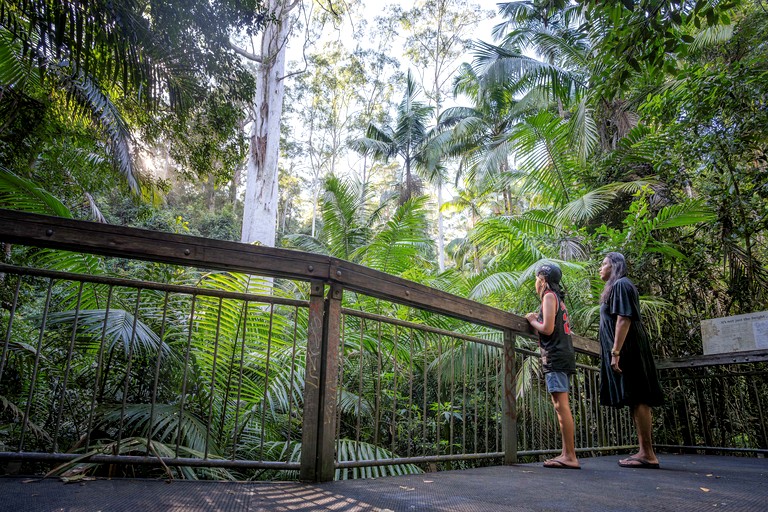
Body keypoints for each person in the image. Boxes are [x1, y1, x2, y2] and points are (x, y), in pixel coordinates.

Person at [598, 252, 664, 469]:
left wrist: (615, 352)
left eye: (604, 264)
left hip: (629, 350)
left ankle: (648, 454)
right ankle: (644, 451)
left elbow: (623, 318)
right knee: (635, 398)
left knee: (639, 397)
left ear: (615, 266)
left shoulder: (621, 285)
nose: (600, 268)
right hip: (626, 349)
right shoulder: (618, 286)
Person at [526, 263, 580, 469]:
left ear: (542, 280)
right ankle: (567, 453)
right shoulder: (559, 300)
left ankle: (570, 456)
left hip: (555, 357)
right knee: (561, 404)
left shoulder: (549, 297)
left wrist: (532, 320)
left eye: (536, 279)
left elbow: (547, 329)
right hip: (564, 355)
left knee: (560, 405)